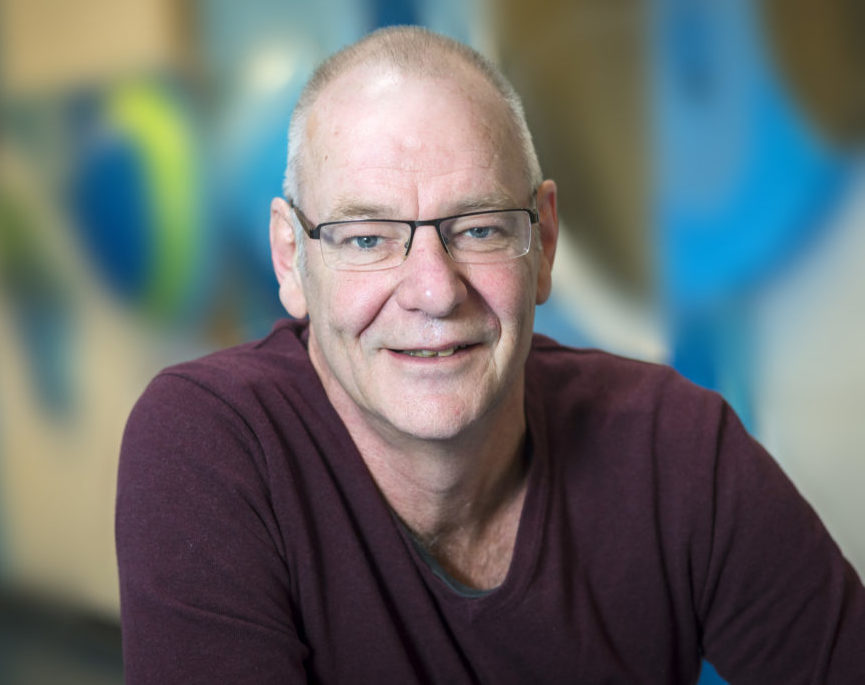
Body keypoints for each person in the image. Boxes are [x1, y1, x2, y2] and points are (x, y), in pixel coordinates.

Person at [116, 26, 865, 684]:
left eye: (478, 228)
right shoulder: (212, 446)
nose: (434, 291)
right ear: (291, 259)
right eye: (367, 238)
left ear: (543, 241)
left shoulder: (676, 447)